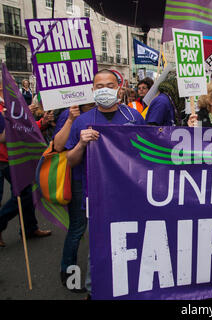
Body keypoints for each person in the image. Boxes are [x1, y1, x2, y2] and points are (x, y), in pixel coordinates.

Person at [65, 69, 146, 297]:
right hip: (97, 195)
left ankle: (130, 285)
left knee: (132, 240)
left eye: (109, 85)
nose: (104, 90)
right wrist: (81, 145)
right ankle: (95, 290)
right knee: (99, 245)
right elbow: (70, 161)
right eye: (99, 87)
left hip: (130, 193)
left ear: (118, 89)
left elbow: (148, 153)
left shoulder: (133, 117)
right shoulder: (82, 121)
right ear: (92, 90)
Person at [0, 83, 51, 247]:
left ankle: (29, 228)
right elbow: (4, 136)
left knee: (28, 192)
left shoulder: (8, 106)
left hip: (15, 157)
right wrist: (18, 117)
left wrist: (42, 121)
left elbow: (24, 127)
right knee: (23, 194)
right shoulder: (2, 108)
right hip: (5, 159)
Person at [52, 103, 95, 293]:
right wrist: (70, 119)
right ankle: (69, 275)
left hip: (102, 180)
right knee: (77, 228)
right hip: (79, 179)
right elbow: (58, 145)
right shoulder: (71, 113)